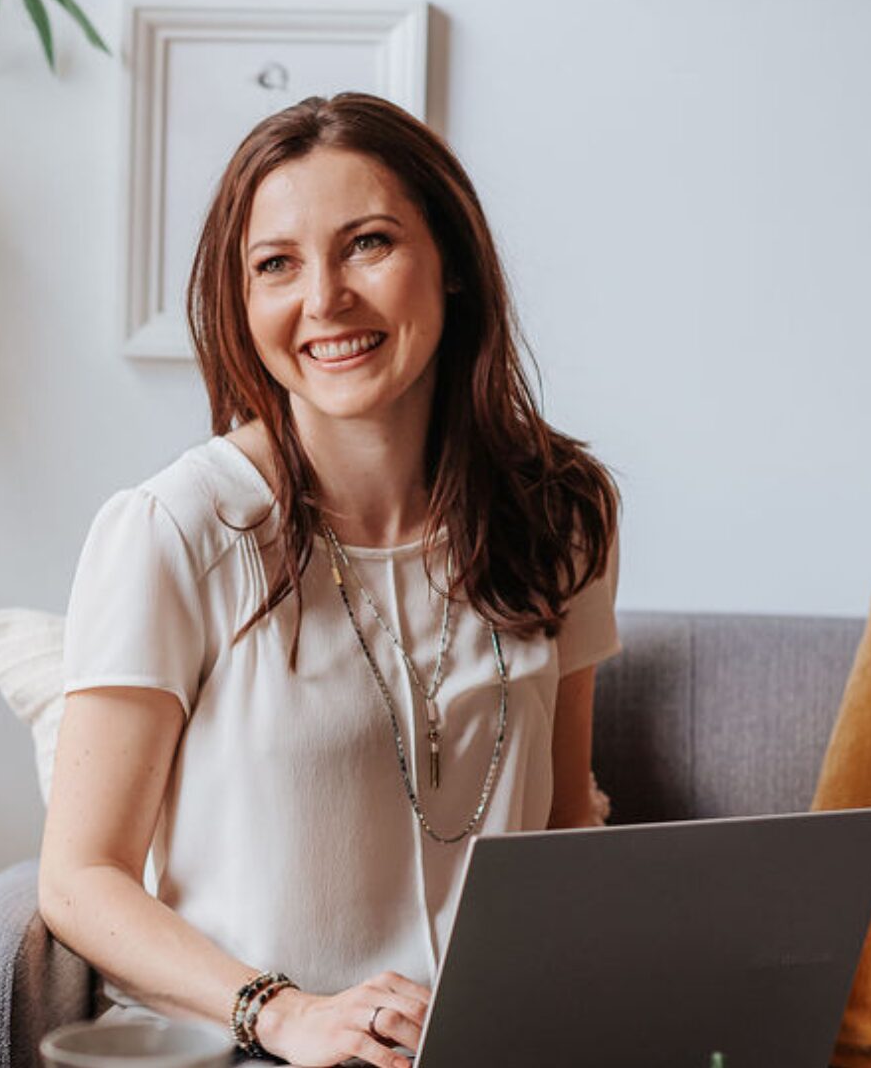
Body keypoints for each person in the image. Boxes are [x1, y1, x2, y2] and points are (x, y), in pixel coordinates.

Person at [39, 92, 621, 1068]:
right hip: (249, 1049)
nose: (325, 300)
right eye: (277, 265)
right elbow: (80, 876)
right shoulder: (176, 531)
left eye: (369, 245)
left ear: (456, 268)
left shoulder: (562, 512)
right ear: (243, 300)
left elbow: (562, 818)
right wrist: (286, 1013)